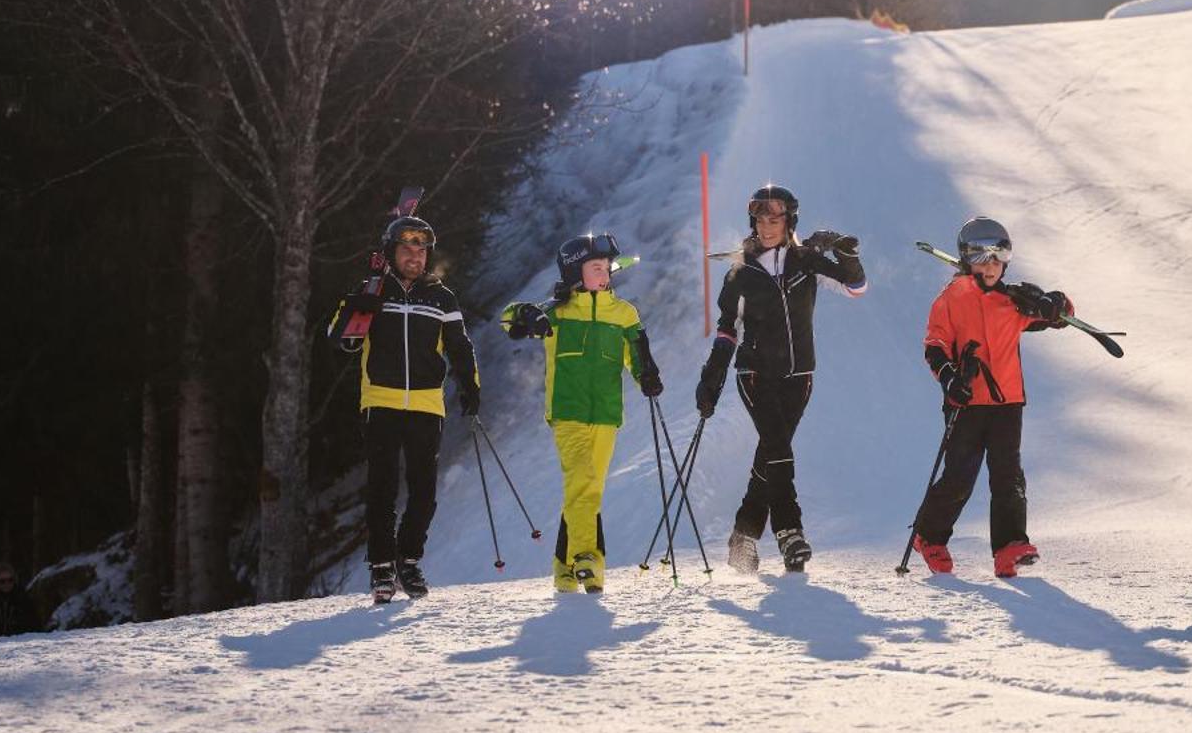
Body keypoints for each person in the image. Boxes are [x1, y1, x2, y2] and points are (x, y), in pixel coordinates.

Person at [695, 184, 867, 574]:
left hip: (799, 375)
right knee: (779, 451)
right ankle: (790, 533)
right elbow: (726, 329)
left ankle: (743, 536)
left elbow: (855, 288)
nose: (767, 226)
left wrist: (845, 255)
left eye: (775, 219)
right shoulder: (741, 271)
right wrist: (712, 376)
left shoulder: (806, 261)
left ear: (789, 220)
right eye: (760, 219)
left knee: (770, 455)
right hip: (755, 372)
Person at [326, 214, 481, 603]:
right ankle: (381, 568)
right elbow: (339, 341)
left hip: (427, 404)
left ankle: (408, 560)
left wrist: (470, 386)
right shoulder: (373, 290)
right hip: (381, 400)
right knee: (382, 489)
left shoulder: (442, 298)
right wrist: (357, 309)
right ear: (392, 252)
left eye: (421, 249)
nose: (415, 255)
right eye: (407, 248)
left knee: (424, 492)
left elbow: (460, 347)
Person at [909, 215, 1073, 578]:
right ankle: (929, 536)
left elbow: (1058, 316)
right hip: (966, 403)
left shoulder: (1014, 302)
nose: (991, 266)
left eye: (997, 258)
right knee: (960, 477)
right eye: (982, 259)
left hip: (1007, 403)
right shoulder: (951, 298)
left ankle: (1009, 547)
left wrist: (1053, 303)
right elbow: (934, 345)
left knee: (1008, 476)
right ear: (967, 260)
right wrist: (950, 378)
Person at [501, 231, 662, 594]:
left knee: (584, 492)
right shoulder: (556, 314)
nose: (605, 273)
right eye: (596, 267)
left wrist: (646, 375)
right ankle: (589, 560)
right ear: (575, 273)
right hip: (568, 413)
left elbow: (637, 357)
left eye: (606, 267)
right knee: (583, 485)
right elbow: (509, 322)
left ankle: (563, 570)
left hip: (606, 415)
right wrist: (527, 313)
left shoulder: (624, 314)